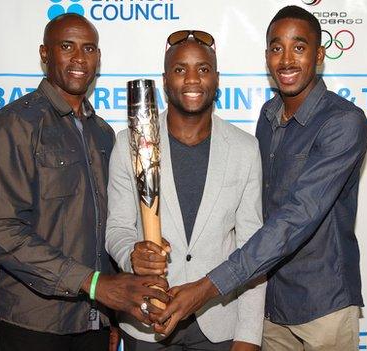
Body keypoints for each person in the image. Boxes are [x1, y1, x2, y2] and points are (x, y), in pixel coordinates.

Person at [151, 7, 367, 351]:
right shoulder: (267, 117)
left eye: (299, 48)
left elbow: (297, 217)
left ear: (320, 54)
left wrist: (209, 285)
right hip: (268, 302)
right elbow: (251, 218)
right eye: (275, 47)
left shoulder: (343, 122)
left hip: (322, 306)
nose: (285, 60)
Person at [0, 13, 168, 351]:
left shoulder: (105, 134)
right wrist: (93, 284)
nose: (80, 59)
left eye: (89, 49)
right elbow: (3, 231)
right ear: (44, 54)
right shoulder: (14, 124)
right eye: (67, 47)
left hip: (92, 318)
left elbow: (108, 227)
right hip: (28, 319)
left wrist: (111, 312)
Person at [105, 30, 266, 351]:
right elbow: (118, 228)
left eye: (203, 69)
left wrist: (248, 335)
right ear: (165, 81)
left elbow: (253, 250)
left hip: (218, 323)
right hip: (147, 319)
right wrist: (131, 254)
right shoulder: (129, 143)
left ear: (217, 78)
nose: (192, 79)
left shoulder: (245, 149)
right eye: (180, 70)